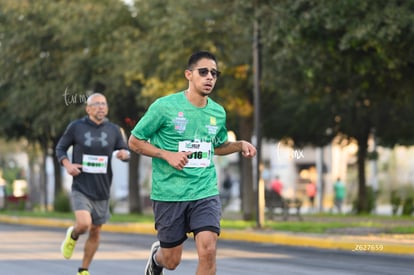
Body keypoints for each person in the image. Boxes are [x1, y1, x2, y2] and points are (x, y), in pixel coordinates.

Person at [128, 51, 257, 275]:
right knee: (171, 261)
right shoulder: (164, 107)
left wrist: (239, 144)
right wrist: (166, 154)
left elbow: (217, 145)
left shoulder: (217, 112)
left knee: (208, 250)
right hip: (170, 192)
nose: (210, 77)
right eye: (203, 72)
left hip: (204, 190)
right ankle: (156, 259)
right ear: (189, 74)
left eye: (214, 73)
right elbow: (134, 141)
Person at [55, 93, 130, 275]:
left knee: (95, 231)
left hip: (102, 189)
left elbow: (125, 150)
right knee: (83, 224)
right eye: (96, 104)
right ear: (88, 109)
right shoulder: (76, 127)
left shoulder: (114, 130)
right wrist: (68, 165)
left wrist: (124, 154)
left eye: (103, 104)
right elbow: (60, 148)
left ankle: (83, 269)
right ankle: (73, 234)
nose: (100, 107)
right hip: (81, 186)